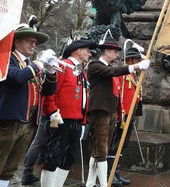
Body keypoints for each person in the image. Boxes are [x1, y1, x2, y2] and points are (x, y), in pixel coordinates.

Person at [0, 24, 55, 186]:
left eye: (35, 43)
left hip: (28, 121)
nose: (33, 45)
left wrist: (51, 72)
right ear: (16, 42)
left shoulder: (32, 64)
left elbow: (48, 90)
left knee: (10, 167)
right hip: (10, 119)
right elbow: (17, 77)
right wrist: (40, 63)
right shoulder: (8, 58)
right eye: (29, 41)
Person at [85, 36, 149, 187]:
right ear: (106, 51)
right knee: (101, 151)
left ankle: (90, 183)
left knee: (99, 150)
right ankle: (104, 183)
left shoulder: (108, 68)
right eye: (114, 51)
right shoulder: (94, 64)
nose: (118, 55)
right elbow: (112, 72)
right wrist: (137, 66)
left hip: (110, 112)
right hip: (100, 112)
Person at [39, 39, 97, 186]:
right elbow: (50, 92)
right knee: (53, 156)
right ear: (79, 51)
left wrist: (83, 121)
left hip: (76, 121)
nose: (89, 54)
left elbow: (84, 97)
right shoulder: (63, 67)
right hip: (60, 119)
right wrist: (51, 112)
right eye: (88, 51)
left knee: (69, 158)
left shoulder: (81, 71)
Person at [108, 46, 150, 186]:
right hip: (121, 116)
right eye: (136, 59)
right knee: (114, 145)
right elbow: (117, 94)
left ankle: (117, 172)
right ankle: (110, 173)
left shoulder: (134, 76)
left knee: (122, 145)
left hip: (129, 117)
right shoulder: (123, 74)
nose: (139, 61)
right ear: (130, 60)